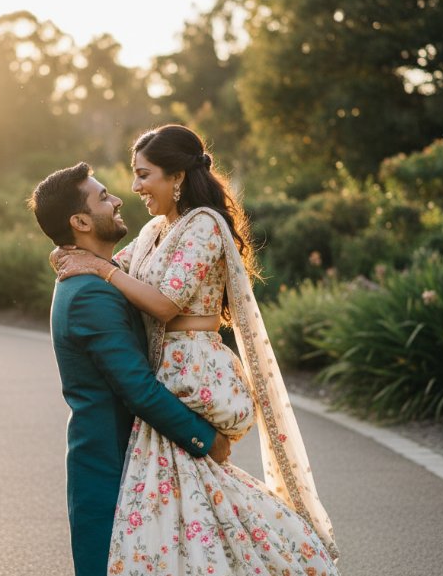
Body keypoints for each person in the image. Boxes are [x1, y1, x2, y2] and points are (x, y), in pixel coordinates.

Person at [54, 125, 339, 575]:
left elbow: (164, 304)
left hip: (193, 373)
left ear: (177, 177)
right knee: (190, 499)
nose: (135, 187)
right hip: (167, 370)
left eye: (144, 174)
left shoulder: (204, 224)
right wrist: (76, 257)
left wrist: (97, 270)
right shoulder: (153, 231)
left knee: (187, 489)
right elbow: (116, 266)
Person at [28, 162, 234, 576]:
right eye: (103, 197)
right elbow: (137, 388)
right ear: (80, 221)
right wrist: (205, 438)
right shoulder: (89, 294)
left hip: (133, 464)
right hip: (109, 467)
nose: (119, 197)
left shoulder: (102, 276)